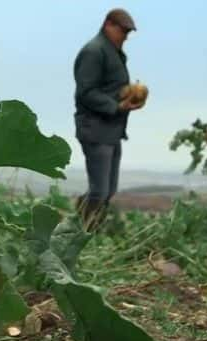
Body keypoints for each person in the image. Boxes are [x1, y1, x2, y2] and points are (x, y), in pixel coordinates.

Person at [73, 8, 144, 231]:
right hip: (95, 129)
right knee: (99, 191)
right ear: (108, 25)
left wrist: (129, 97)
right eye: (122, 31)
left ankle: (92, 229)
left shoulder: (113, 52)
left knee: (109, 190)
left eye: (127, 33)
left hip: (112, 130)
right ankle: (81, 230)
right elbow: (86, 91)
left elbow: (110, 87)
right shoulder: (94, 51)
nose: (125, 36)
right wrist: (116, 106)